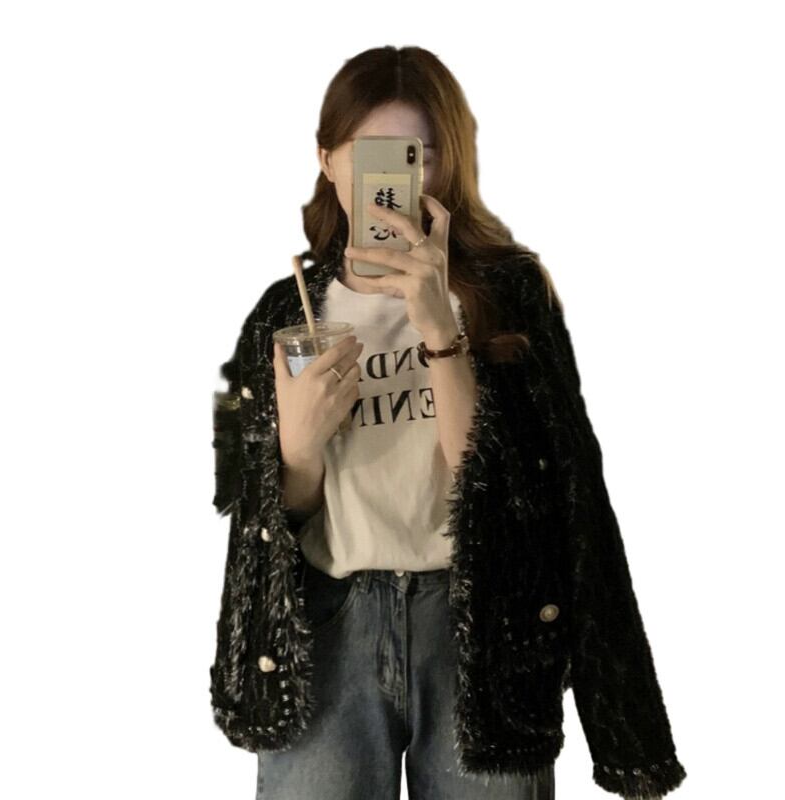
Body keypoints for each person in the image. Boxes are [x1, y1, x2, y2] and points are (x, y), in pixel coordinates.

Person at [209, 46, 686, 800]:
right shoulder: (283, 313)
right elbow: (253, 513)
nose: (395, 179)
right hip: (329, 627)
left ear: (447, 164)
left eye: (418, 155)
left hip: (480, 629)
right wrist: (297, 451)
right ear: (327, 160)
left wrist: (439, 327)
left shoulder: (507, 293)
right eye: (369, 152)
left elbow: (540, 496)